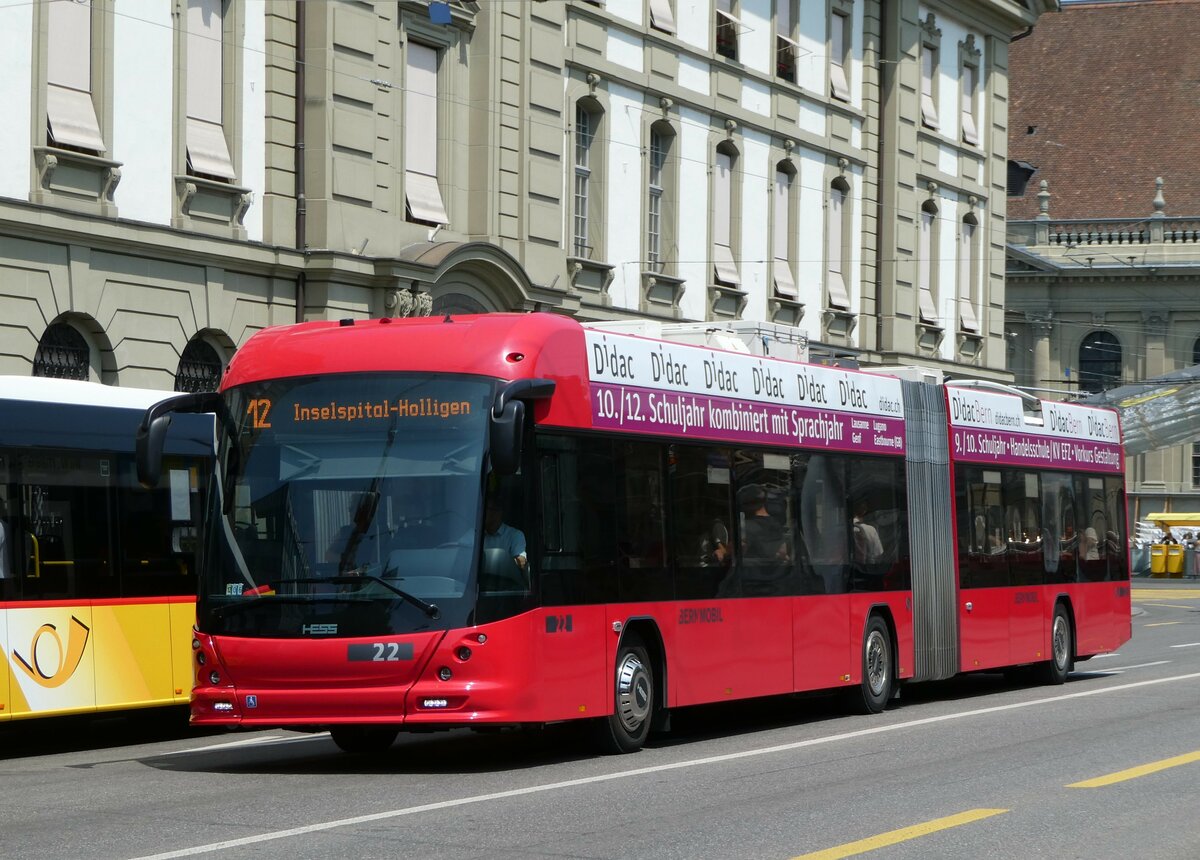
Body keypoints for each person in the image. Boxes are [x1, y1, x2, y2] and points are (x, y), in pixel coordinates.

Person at [483, 498, 526, 572]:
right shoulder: (475, 534)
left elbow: (521, 563)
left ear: (497, 512)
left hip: (504, 582)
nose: (482, 512)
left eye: (487, 509)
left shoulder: (515, 535)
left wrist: (497, 562)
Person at [853, 498, 884, 564]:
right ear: (864, 511)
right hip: (868, 569)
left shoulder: (843, 530)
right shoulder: (871, 530)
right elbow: (878, 553)